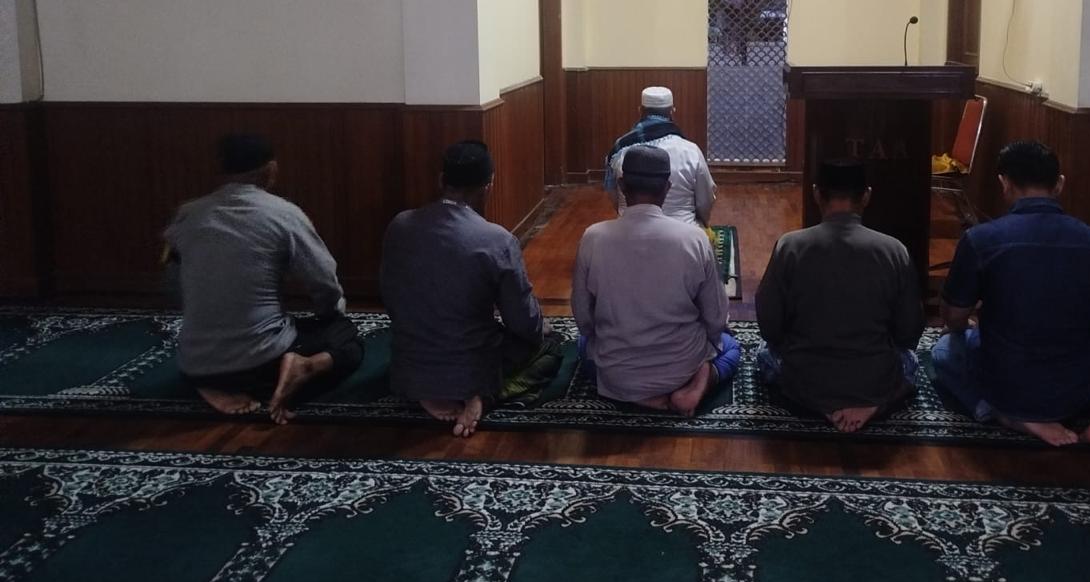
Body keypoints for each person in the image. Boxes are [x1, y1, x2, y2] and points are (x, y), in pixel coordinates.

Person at [931, 140, 1090, 451]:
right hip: (1074, 392)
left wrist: (970, 324)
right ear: (1059, 184)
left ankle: (1005, 415)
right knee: (1080, 353)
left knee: (944, 350)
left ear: (1005, 184)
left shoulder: (981, 240)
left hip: (1008, 387)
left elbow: (954, 317)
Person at [164, 134, 364, 425]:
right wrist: (330, 315)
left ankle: (211, 385)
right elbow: (323, 281)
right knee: (347, 341)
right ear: (271, 169)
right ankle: (301, 367)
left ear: (222, 170)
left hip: (195, 364)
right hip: (261, 363)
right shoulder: (283, 214)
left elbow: (173, 285)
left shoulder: (187, 214)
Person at [380, 140, 561, 437]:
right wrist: (542, 327)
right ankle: (482, 395)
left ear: (441, 179)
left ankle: (428, 391)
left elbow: (391, 297)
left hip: (408, 369)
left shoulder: (399, 225)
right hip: (470, 369)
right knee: (551, 347)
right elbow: (523, 322)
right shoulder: (496, 240)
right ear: (488, 186)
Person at [755, 160, 923, 433]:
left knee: (764, 353)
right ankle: (873, 404)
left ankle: (822, 406)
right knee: (911, 362)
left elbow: (769, 327)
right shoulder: (895, 251)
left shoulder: (790, 246)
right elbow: (908, 333)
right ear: (866, 196)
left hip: (806, 380)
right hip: (875, 380)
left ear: (816, 194)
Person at [572, 146, 740, 415]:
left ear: (622, 186)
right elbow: (716, 318)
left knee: (583, 346)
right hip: (683, 368)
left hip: (618, 373)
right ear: (667, 188)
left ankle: (637, 397)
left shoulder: (593, 237)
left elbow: (583, 319)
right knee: (730, 348)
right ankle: (698, 386)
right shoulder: (694, 239)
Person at [604, 86, 716, 227]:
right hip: (682, 232)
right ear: (672, 112)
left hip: (629, 230)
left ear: (640, 111)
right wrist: (701, 223)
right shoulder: (691, 151)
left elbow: (613, 195)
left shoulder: (619, 150)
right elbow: (705, 199)